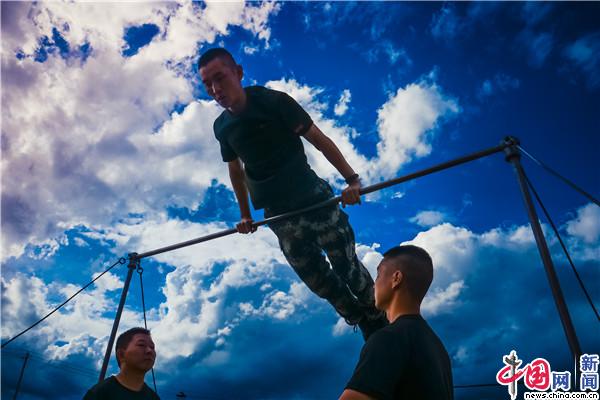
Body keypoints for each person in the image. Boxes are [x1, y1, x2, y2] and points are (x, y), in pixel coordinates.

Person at [198, 48, 388, 340]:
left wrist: (352, 180)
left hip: (313, 200)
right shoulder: (222, 127)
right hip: (279, 214)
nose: (215, 89)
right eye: (207, 84)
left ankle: (378, 316)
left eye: (220, 78)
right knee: (317, 280)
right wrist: (245, 215)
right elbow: (235, 171)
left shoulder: (274, 102)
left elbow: (319, 140)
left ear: (238, 72)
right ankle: (362, 320)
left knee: (346, 267)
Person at [340, 245, 454, 400]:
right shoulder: (439, 350)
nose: (374, 284)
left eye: (378, 275)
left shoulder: (388, 338)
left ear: (396, 278)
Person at [83, 327, 160, 400]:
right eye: (141, 345)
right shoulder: (100, 394)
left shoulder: (153, 397)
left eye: (152, 347)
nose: (149, 351)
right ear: (121, 354)